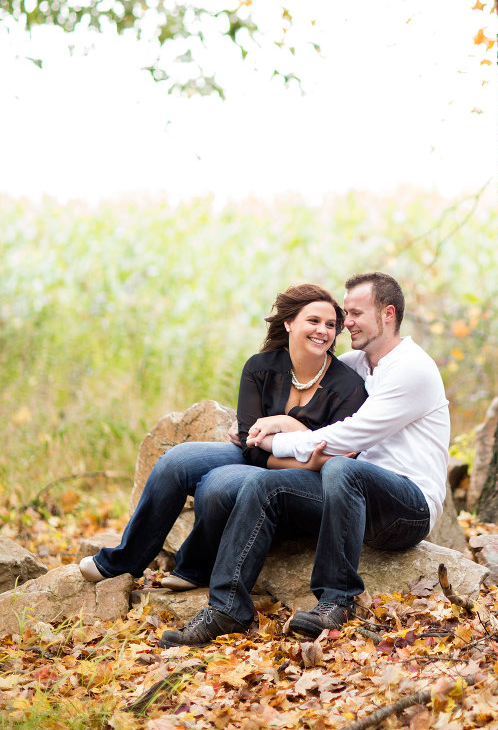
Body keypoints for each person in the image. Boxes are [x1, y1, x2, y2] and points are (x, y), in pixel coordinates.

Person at [158, 271, 450, 648]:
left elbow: (348, 435)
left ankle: (336, 601)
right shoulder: (356, 364)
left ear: (388, 314)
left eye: (356, 314)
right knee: (263, 486)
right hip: (348, 495)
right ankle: (227, 608)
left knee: (344, 467)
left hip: (407, 508)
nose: (346, 323)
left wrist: (271, 443)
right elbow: (309, 404)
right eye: (345, 313)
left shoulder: (412, 368)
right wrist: (263, 424)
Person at [79, 284, 367, 589]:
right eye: (313, 321)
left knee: (217, 484)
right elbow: (248, 443)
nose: (323, 330)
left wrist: (287, 430)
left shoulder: (348, 386)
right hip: (264, 458)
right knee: (178, 460)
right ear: (289, 323)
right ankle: (124, 561)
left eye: (331, 325)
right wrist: (293, 451)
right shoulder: (260, 368)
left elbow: (333, 457)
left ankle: (194, 568)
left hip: (306, 481)